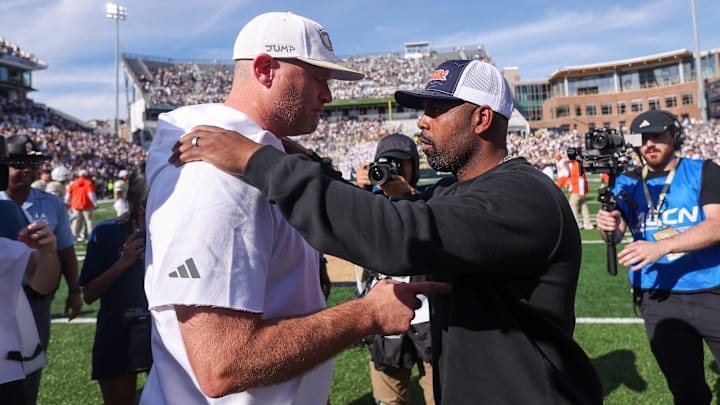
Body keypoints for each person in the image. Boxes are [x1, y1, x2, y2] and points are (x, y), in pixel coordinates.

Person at [171, 58, 604, 404]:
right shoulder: (458, 190)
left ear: (482, 119)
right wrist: (311, 164)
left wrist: (257, 162)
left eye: (436, 110)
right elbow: (379, 211)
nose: (421, 123)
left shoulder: (523, 196)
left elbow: (396, 235)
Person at [142, 12, 448, 404]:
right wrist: (365, 314)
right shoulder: (214, 172)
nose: (329, 95)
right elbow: (222, 365)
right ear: (265, 69)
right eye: (318, 78)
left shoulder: (253, 154)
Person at [595, 109, 720, 405]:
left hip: (712, 289)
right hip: (659, 298)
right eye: (642, 138)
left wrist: (662, 246)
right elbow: (614, 235)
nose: (649, 143)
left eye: (657, 136)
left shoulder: (703, 170)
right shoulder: (627, 181)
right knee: (686, 390)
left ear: (673, 137)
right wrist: (607, 226)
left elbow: (716, 224)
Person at [0, 134, 83, 404]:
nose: (25, 169)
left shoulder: (48, 204)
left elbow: (65, 252)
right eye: (16, 163)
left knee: (27, 373)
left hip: (32, 301)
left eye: (29, 162)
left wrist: (73, 290)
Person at [355, 133, 434, 405]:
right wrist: (360, 191)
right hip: (384, 321)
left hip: (430, 317)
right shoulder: (368, 204)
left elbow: (438, 230)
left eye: (401, 163)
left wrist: (409, 197)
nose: (394, 170)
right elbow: (348, 235)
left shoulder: (432, 200)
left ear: (414, 165)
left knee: (443, 394)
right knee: (389, 401)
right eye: (386, 164)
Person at [79, 163, 150, 405]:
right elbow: (88, 295)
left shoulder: (177, 232)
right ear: (141, 204)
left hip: (165, 334)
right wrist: (124, 262)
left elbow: (190, 276)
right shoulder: (107, 232)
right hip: (117, 332)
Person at [65, 168, 97, 241]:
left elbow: (68, 194)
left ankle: (73, 237)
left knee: (75, 222)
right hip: (87, 204)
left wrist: (67, 202)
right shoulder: (88, 183)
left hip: (75, 204)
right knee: (89, 221)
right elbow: (91, 194)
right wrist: (95, 203)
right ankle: (91, 236)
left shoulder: (73, 183)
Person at [567, 158, 593, 230]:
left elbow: (580, 179)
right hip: (577, 188)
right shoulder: (575, 165)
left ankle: (577, 223)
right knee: (583, 205)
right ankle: (587, 223)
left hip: (577, 189)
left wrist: (581, 191)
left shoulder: (577, 165)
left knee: (572, 204)